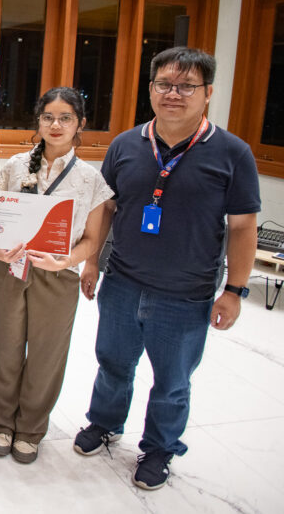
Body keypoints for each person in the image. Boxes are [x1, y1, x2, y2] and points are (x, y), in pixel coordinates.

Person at [75, 47, 259, 490]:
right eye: (164, 84)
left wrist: (235, 290)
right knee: (112, 363)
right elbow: (106, 209)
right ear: (151, 89)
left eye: (186, 86)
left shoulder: (233, 153)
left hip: (186, 293)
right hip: (122, 281)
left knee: (172, 381)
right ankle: (104, 422)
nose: (173, 94)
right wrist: (92, 262)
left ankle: (159, 448)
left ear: (208, 92)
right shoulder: (126, 145)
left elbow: (242, 227)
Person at [0, 87, 113, 463]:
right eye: (48, 117)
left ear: (80, 124)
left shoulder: (90, 179)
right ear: (38, 122)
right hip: (10, 268)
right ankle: (0, 423)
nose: (56, 125)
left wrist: (64, 261)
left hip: (59, 275)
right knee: (4, 347)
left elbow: (92, 240)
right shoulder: (14, 166)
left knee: (47, 352)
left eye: (65, 118)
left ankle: (30, 429)